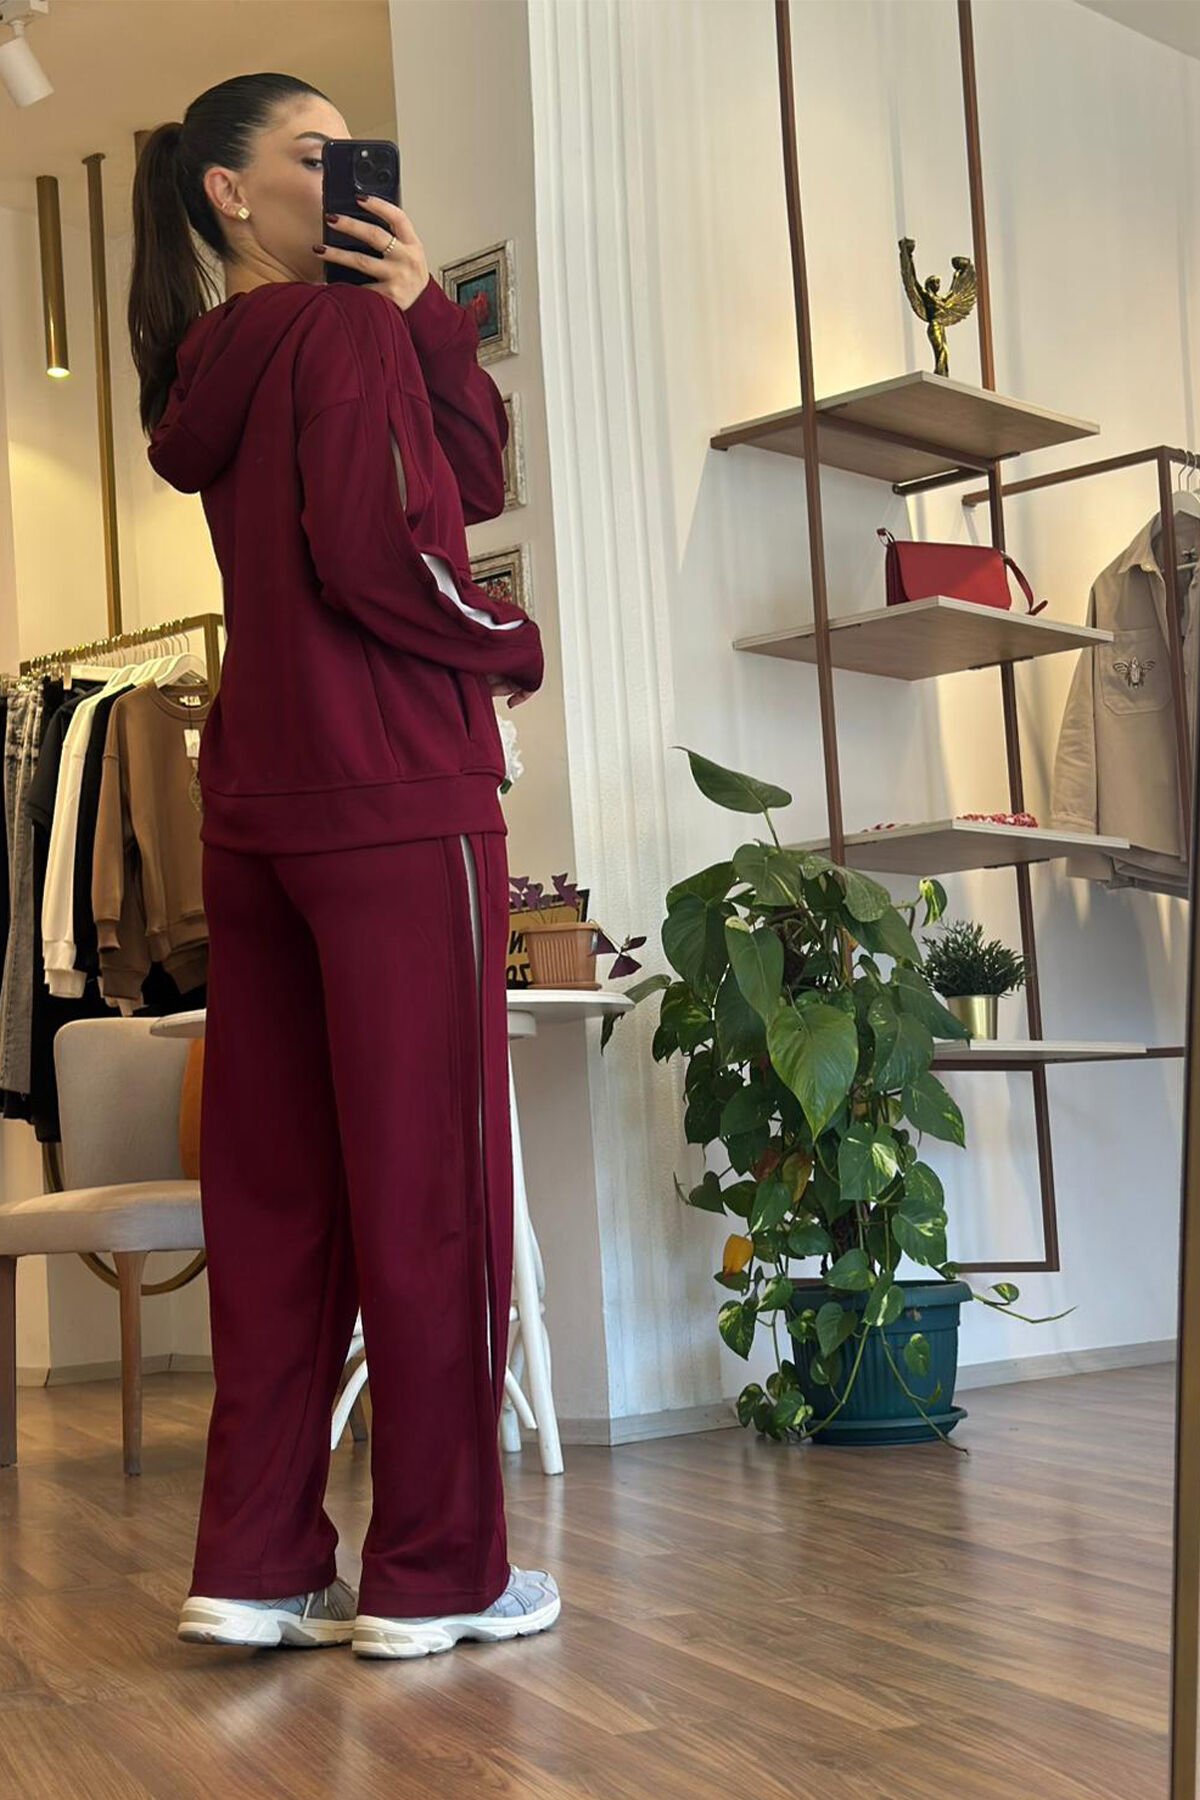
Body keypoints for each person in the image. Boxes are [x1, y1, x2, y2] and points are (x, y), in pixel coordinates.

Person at [126, 71, 560, 1660]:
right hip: (394, 795)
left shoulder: (217, 360)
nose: (347, 178)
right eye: (312, 158)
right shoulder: (338, 333)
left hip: (255, 805)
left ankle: (254, 1564)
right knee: (432, 1186)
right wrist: (507, 642)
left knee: (279, 1198)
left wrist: (426, 309)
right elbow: (398, 549)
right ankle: (439, 1574)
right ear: (227, 194)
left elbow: (467, 481)